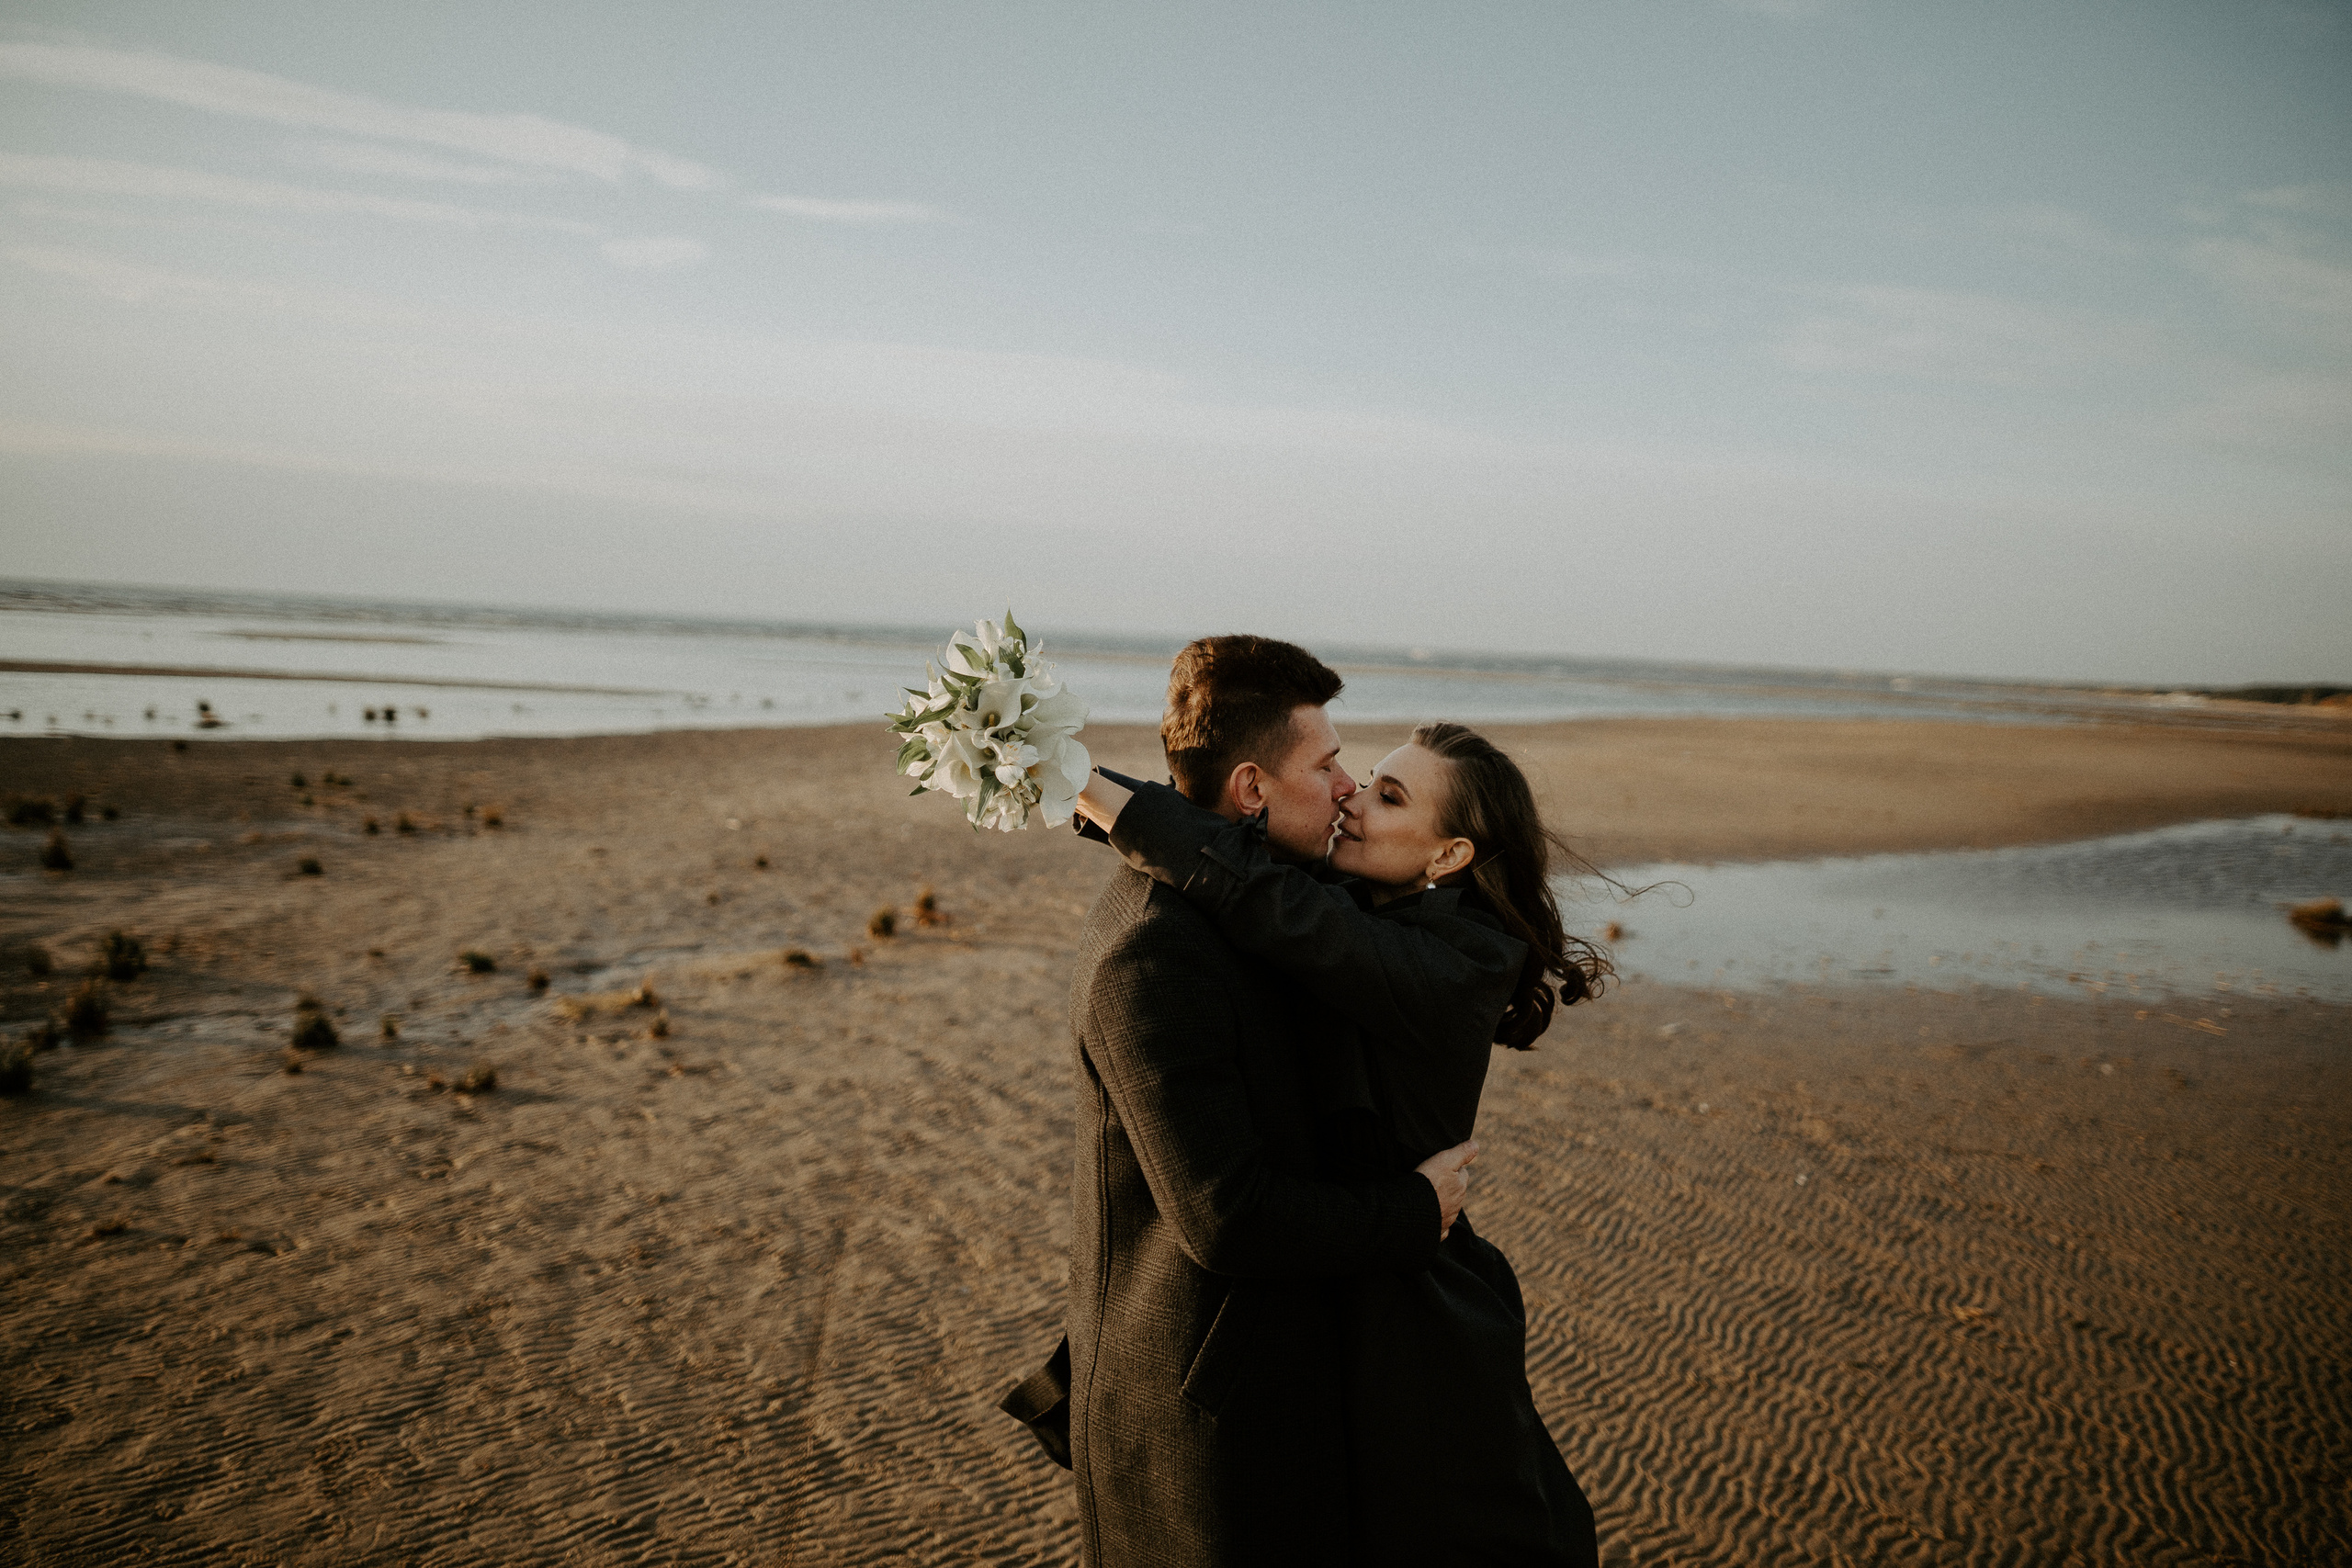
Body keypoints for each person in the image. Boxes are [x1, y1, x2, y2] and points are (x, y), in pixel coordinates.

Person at [1072, 717, 1609, 1567]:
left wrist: (1097, 792)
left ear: (1447, 858)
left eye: (1391, 796)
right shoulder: (1372, 900)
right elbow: (1249, 847)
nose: (1354, 794)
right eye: (1364, 776)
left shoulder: (1454, 961)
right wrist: (1101, 791)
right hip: (1341, 1277)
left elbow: (1269, 901)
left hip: (1413, 1309)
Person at [1000, 636, 1484, 1567]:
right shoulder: (1152, 952)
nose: (1346, 785)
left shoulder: (1262, 900)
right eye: (1329, 763)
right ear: (1255, 790)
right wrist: (1413, 1210)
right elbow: (1225, 1218)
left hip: (1284, 1385)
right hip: (1201, 1430)